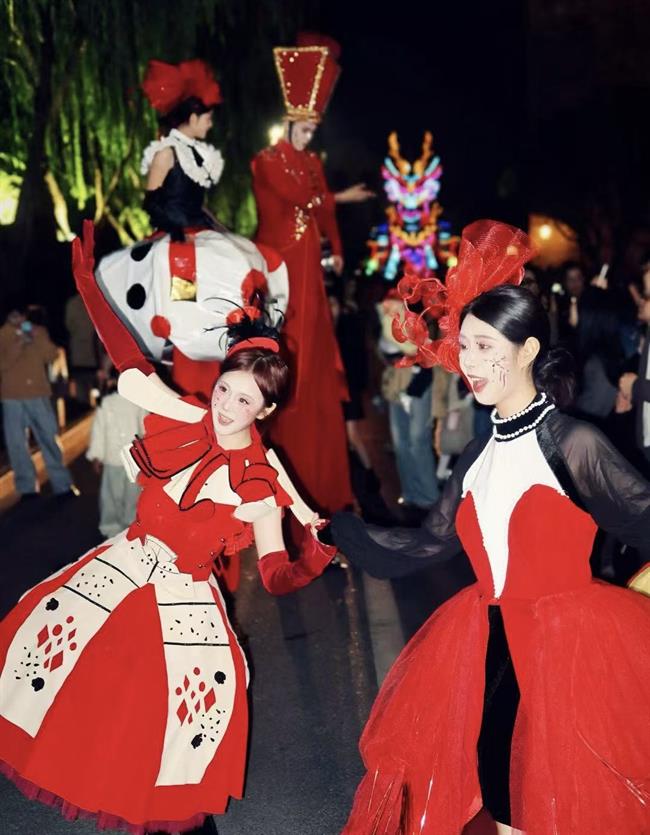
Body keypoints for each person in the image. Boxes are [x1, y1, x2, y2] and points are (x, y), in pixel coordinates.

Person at [0, 227, 336, 835]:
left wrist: (313, 557)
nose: (225, 405)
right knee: (61, 668)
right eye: (225, 389)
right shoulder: (184, 419)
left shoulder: (259, 483)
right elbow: (127, 357)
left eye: (244, 401)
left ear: (265, 410)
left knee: (166, 722)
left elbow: (274, 575)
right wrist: (87, 285)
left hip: (184, 597)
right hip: (123, 566)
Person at [331, 220, 650, 835]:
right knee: (504, 807)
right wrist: (335, 534)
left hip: (568, 654)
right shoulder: (478, 455)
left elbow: (644, 517)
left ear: (527, 350)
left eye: (484, 347)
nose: (469, 363)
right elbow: (431, 540)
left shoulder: (573, 443)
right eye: (465, 347)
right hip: (487, 649)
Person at [94, 59, 288, 401]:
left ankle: (224, 363)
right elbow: (152, 202)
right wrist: (179, 230)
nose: (211, 122)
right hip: (177, 243)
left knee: (246, 263)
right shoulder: (165, 153)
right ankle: (188, 375)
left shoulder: (197, 155)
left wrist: (220, 229)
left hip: (198, 235)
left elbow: (198, 205)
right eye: (208, 116)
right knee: (185, 302)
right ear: (193, 117)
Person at [251, 33, 372, 543]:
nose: (308, 134)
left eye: (313, 127)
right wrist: (337, 198)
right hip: (281, 268)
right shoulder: (266, 160)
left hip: (309, 272)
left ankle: (328, 485)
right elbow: (300, 196)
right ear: (288, 121)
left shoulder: (312, 163)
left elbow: (320, 209)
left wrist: (337, 245)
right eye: (303, 126)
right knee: (289, 355)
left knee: (318, 362)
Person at [0, 302, 74, 501]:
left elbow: (51, 355)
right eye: (14, 316)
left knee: (49, 439)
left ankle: (63, 485)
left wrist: (35, 337)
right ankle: (27, 489)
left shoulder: (38, 331)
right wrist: (18, 344)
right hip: (11, 397)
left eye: (21, 316)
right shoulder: (3, 335)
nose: (18, 320)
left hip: (38, 394)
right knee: (17, 445)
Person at [86, 369, 146, 538]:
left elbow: (99, 431)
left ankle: (114, 527)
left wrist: (97, 455)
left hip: (120, 458)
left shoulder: (111, 403)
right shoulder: (133, 403)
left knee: (115, 495)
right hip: (131, 459)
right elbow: (145, 430)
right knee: (130, 495)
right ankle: (127, 525)